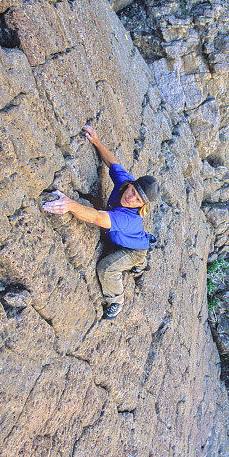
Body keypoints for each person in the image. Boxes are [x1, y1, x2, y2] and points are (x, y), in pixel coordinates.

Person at [43, 124, 159, 319]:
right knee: (120, 242)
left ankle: (117, 300)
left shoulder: (127, 219)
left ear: (141, 206)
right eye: (133, 192)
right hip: (129, 237)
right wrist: (96, 141)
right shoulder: (124, 183)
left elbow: (97, 217)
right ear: (131, 184)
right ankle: (138, 265)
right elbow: (112, 162)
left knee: (106, 268)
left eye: (137, 200)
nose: (131, 198)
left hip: (132, 250)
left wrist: (70, 205)